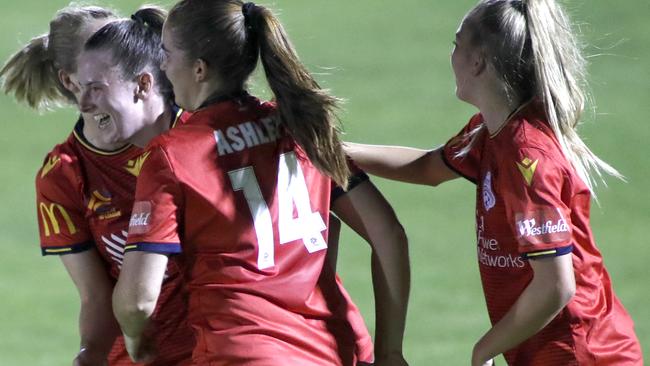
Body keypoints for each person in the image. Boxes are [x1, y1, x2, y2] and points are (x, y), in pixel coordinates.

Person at [345, 0, 643, 365]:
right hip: (547, 352)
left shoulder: (526, 156)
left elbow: (556, 285)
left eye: (457, 45)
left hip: (582, 353)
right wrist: (334, 148)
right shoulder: (489, 132)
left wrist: (483, 350)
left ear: (478, 61)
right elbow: (426, 168)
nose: (450, 55)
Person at [113, 1, 410, 365]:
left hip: (242, 354)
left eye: (167, 53)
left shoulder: (173, 154)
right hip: (334, 350)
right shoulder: (302, 127)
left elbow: (138, 300)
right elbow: (389, 234)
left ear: (200, 69)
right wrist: (391, 351)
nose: (162, 64)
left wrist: (134, 337)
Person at [1, 5, 194, 365]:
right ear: (72, 82)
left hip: (218, 343)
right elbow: (96, 296)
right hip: (146, 354)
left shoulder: (188, 131)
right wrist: (91, 353)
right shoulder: (64, 175)